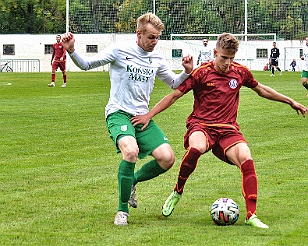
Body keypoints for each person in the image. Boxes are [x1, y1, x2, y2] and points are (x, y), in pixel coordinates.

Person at [131, 33, 307, 229]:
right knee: (196, 148)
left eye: (231, 58)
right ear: (215, 53)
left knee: (247, 158)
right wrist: (149, 115)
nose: (227, 63)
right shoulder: (201, 73)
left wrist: (290, 101)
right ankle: (177, 192)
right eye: (224, 58)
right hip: (201, 126)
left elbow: (262, 89)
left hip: (228, 130)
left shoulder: (240, 72)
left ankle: (251, 215)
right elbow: (174, 96)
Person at [61, 12, 193, 226]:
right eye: (151, 37)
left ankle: (131, 181)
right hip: (118, 113)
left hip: (142, 116)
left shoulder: (156, 58)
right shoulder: (119, 50)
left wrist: (187, 72)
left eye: (157, 37)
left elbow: (174, 83)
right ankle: (122, 211)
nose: (154, 42)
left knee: (167, 158)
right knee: (130, 152)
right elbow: (86, 65)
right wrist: (72, 51)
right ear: (138, 33)